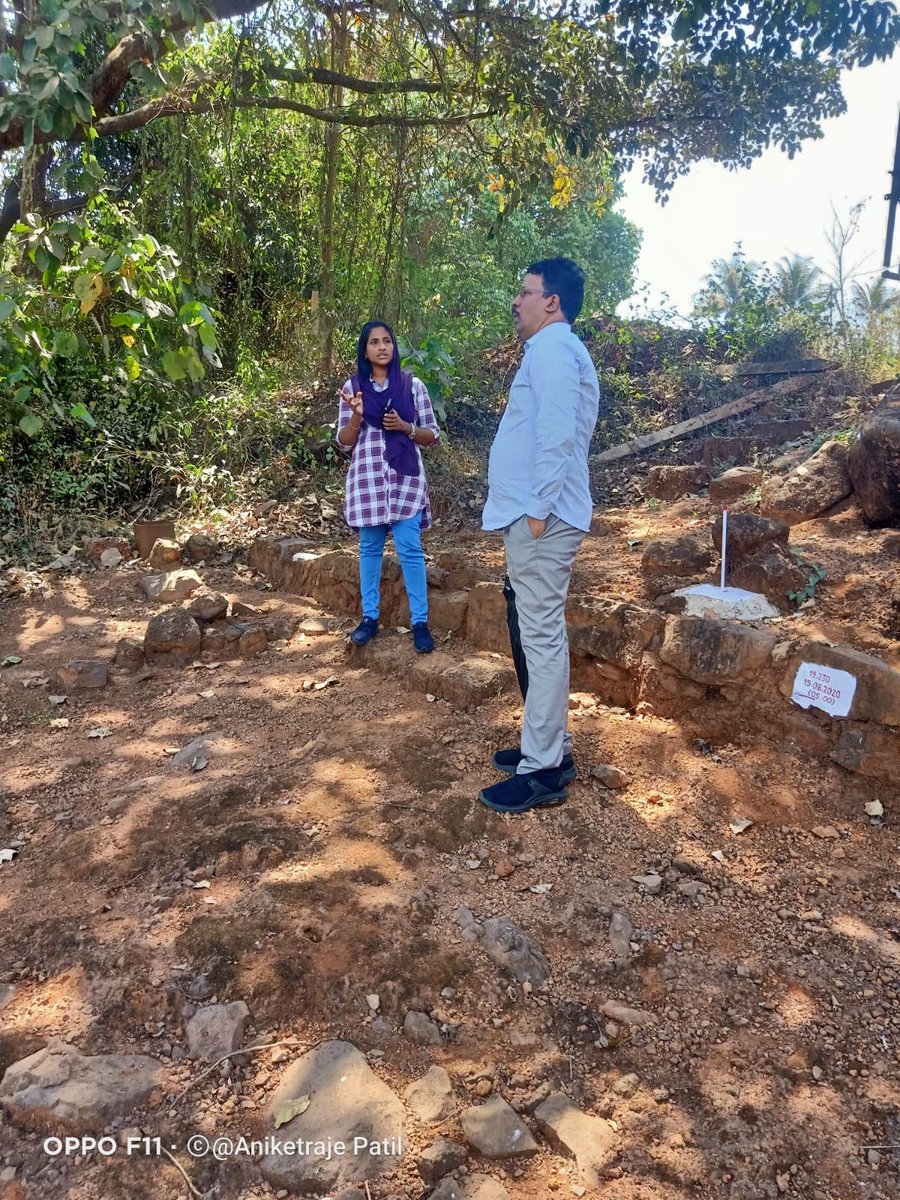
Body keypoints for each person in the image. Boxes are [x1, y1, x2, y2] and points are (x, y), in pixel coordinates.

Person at [479, 257, 600, 813]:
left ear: (551, 301)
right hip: (541, 515)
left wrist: (536, 511)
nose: (516, 301)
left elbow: (555, 437)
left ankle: (544, 768)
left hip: (543, 520)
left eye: (524, 292)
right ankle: (550, 748)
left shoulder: (553, 350)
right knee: (538, 635)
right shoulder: (555, 351)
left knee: (542, 639)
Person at [337, 320, 440, 653]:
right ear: (365, 350)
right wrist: (356, 416)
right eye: (374, 342)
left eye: (387, 341)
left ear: (393, 347)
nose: (382, 347)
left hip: (405, 480)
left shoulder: (413, 386)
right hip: (367, 481)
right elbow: (343, 442)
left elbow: (432, 436)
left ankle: (420, 623)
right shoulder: (353, 388)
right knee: (369, 550)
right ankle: (369, 618)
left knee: (409, 548)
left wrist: (406, 427)